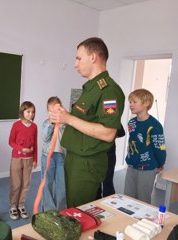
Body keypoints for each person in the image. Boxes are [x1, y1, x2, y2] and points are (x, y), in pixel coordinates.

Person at [49, 37, 125, 207]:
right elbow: (83, 120)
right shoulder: (92, 88)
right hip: (76, 157)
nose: (75, 64)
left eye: (78, 58)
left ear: (93, 57)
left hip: (87, 163)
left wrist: (69, 119)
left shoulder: (108, 91)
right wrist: (65, 116)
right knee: (72, 206)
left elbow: (108, 133)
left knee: (79, 211)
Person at [124, 88, 166, 204]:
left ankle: (142, 221)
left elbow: (160, 148)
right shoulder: (132, 122)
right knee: (128, 196)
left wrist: (160, 164)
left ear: (146, 103)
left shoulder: (155, 125)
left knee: (143, 198)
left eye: (134, 102)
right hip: (132, 165)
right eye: (130, 102)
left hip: (147, 168)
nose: (131, 105)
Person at [8, 101, 38, 220]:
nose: (31, 114)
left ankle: (21, 205)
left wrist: (35, 159)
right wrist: (21, 149)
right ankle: (13, 206)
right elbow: (11, 141)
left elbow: (35, 143)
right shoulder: (16, 125)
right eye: (28, 111)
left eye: (33, 112)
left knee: (26, 184)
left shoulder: (34, 126)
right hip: (17, 158)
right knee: (16, 184)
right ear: (22, 112)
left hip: (29, 160)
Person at [40, 96, 66, 211]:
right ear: (47, 111)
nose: (53, 113)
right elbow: (45, 138)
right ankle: (48, 210)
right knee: (47, 183)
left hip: (61, 156)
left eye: (56, 110)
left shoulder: (64, 124)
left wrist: (65, 117)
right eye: (51, 111)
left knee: (62, 184)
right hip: (47, 156)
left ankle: (61, 209)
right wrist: (51, 123)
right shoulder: (46, 123)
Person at [96, 124, 125, 199]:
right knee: (96, 181)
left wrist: (109, 136)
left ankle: (109, 202)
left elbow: (122, 132)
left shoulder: (111, 119)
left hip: (109, 154)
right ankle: (97, 202)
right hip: (96, 154)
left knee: (107, 180)